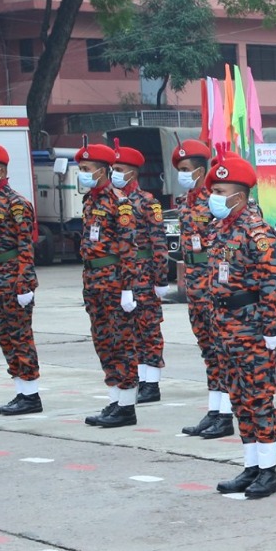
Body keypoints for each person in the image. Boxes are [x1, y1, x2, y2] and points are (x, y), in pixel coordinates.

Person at [205, 153, 276, 499]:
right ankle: (250, 465)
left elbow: (271, 282)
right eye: (214, 190)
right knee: (238, 397)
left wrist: (271, 327)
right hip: (224, 326)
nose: (214, 197)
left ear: (239, 195)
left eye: (220, 191)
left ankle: (268, 471)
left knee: (259, 398)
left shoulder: (257, 231)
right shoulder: (220, 229)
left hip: (251, 326)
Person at [77, 140, 145, 429]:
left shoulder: (120, 203)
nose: (82, 173)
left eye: (86, 168)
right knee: (103, 342)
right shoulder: (90, 201)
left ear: (101, 171)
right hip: (94, 281)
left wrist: (128, 288)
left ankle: (127, 406)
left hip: (115, 282)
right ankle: (115, 400)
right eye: (81, 168)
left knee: (122, 343)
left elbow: (128, 248)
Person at [171, 139, 234, 439]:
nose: (182, 174)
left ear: (199, 170)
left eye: (186, 169)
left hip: (212, 282)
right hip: (194, 284)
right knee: (208, 350)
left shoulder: (215, 200)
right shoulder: (185, 202)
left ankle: (227, 414)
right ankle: (214, 410)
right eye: (180, 169)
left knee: (222, 349)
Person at [0, 141, 41, 416]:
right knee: (7, 338)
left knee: (20, 337)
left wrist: (24, 284)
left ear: (1, 170)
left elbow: (26, 247)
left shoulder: (17, 205)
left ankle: (31, 395)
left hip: (14, 281)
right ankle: (21, 392)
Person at [112, 142, 167, 403]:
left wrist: (160, 279)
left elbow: (159, 243)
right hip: (123, 275)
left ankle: (152, 384)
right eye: (113, 168)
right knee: (130, 331)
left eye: (119, 169)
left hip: (144, 274)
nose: (114, 173)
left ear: (132, 173)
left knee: (149, 329)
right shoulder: (112, 201)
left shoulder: (147, 202)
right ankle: (139, 379)